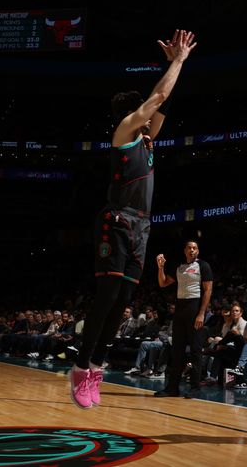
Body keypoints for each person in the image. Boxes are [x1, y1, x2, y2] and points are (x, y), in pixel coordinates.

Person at [69, 29, 197, 409]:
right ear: (132, 113)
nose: (149, 114)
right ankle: (79, 368)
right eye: (142, 109)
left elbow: (163, 102)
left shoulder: (148, 137)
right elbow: (157, 97)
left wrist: (172, 65)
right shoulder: (124, 131)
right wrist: (178, 60)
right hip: (118, 220)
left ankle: (95, 368)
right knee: (107, 297)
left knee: (123, 300)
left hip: (142, 225)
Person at [154, 240, 213, 397]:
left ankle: (195, 388)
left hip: (195, 308)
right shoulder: (179, 267)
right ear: (185, 250)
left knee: (195, 350)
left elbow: (208, 291)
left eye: (195, 248)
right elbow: (163, 283)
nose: (192, 250)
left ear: (198, 251)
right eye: (189, 248)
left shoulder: (203, 266)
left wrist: (201, 313)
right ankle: (172, 388)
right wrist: (161, 267)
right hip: (180, 309)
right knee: (177, 350)